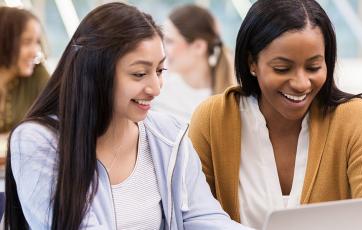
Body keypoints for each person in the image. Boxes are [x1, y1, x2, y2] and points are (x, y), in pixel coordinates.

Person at [4, 3, 250, 229]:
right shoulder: (38, 141)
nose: (156, 88)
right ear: (96, 72)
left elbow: (201, 217)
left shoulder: (169, 135)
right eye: (139, 74)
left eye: (160, 70)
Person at [189, 0, 362, 229]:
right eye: (282, 69)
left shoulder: (355, 119)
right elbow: (190, 214)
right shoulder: (214, 119)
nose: (302, 84)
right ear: (251, 62)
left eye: (313, 67)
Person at [153, 4, 235, 121]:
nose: (163, 49)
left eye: (170, 41)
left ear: (198, 47)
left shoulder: (232, 102)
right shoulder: (158, 92)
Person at [0, 6, 49, 133]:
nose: (36, 51)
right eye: (27, 42)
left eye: (37, 42)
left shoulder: (39, 75)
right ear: (4, 40)